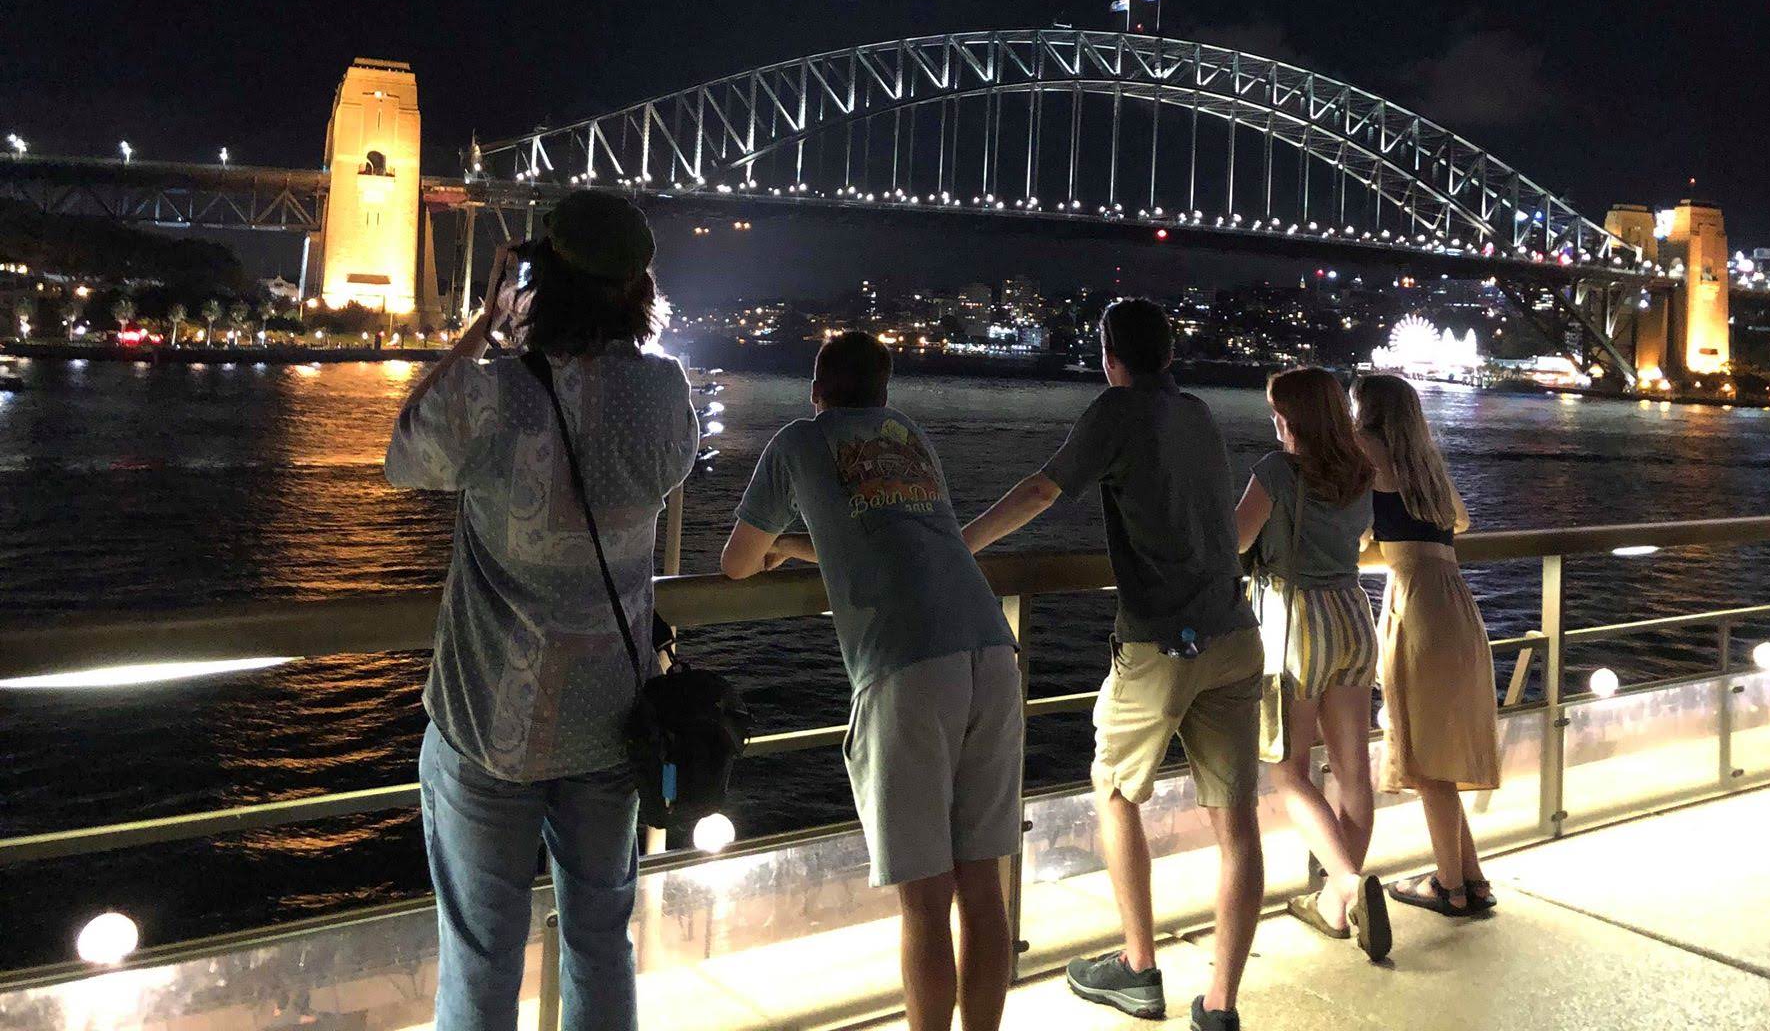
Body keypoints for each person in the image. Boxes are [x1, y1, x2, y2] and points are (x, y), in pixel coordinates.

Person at [386, 191, 697, 1031]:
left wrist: (489, 322)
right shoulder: (669, 394)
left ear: (538, 278)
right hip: (611, 721)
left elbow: (404, 451)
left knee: (483, 952)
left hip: (490, 720)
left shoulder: (493, 397)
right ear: (637, 286)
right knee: (601, 941)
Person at [965, 298, 1262, 1031]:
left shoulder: (1117, 410)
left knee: (1116, 790)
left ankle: (1137, 967)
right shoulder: (1198, 412)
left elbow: (1042, 489)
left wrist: (957, 544)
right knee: (1238, 825)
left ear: (1110, 356)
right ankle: (1220, 1004)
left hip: (1163, 639)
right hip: (1234, 632)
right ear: (1171, 353)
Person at [721, 331, 1022, 1031]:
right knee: (982, 887)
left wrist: (781, 547)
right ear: (884, 392)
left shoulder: (798, 441)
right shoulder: (906, 433)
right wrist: (805, 546)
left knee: (925, 898)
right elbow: (893, 527)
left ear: (815, 388)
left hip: (906, 663)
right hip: (990, 645)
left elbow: (737, 563)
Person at [1233, 367, 1391, 959]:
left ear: (1290, 416)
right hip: (1353, 614)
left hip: (1295, 622)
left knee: (1290, 770)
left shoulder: (1275, 472)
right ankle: (1333, 903)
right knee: (1353, 770)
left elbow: (1236, 541)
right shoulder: (1360, 473)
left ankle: (1346, 882)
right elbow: (1361, 539)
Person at [1349, 372, 1500, 917]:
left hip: (1416, 606)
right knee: (1441, 744)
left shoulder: (1365, 451)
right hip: (1457, 603)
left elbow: (1352, 527)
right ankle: (1472, 878)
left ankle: (1449, 886)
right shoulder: (1425, 463)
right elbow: (1459, 518)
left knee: (1431, 759)